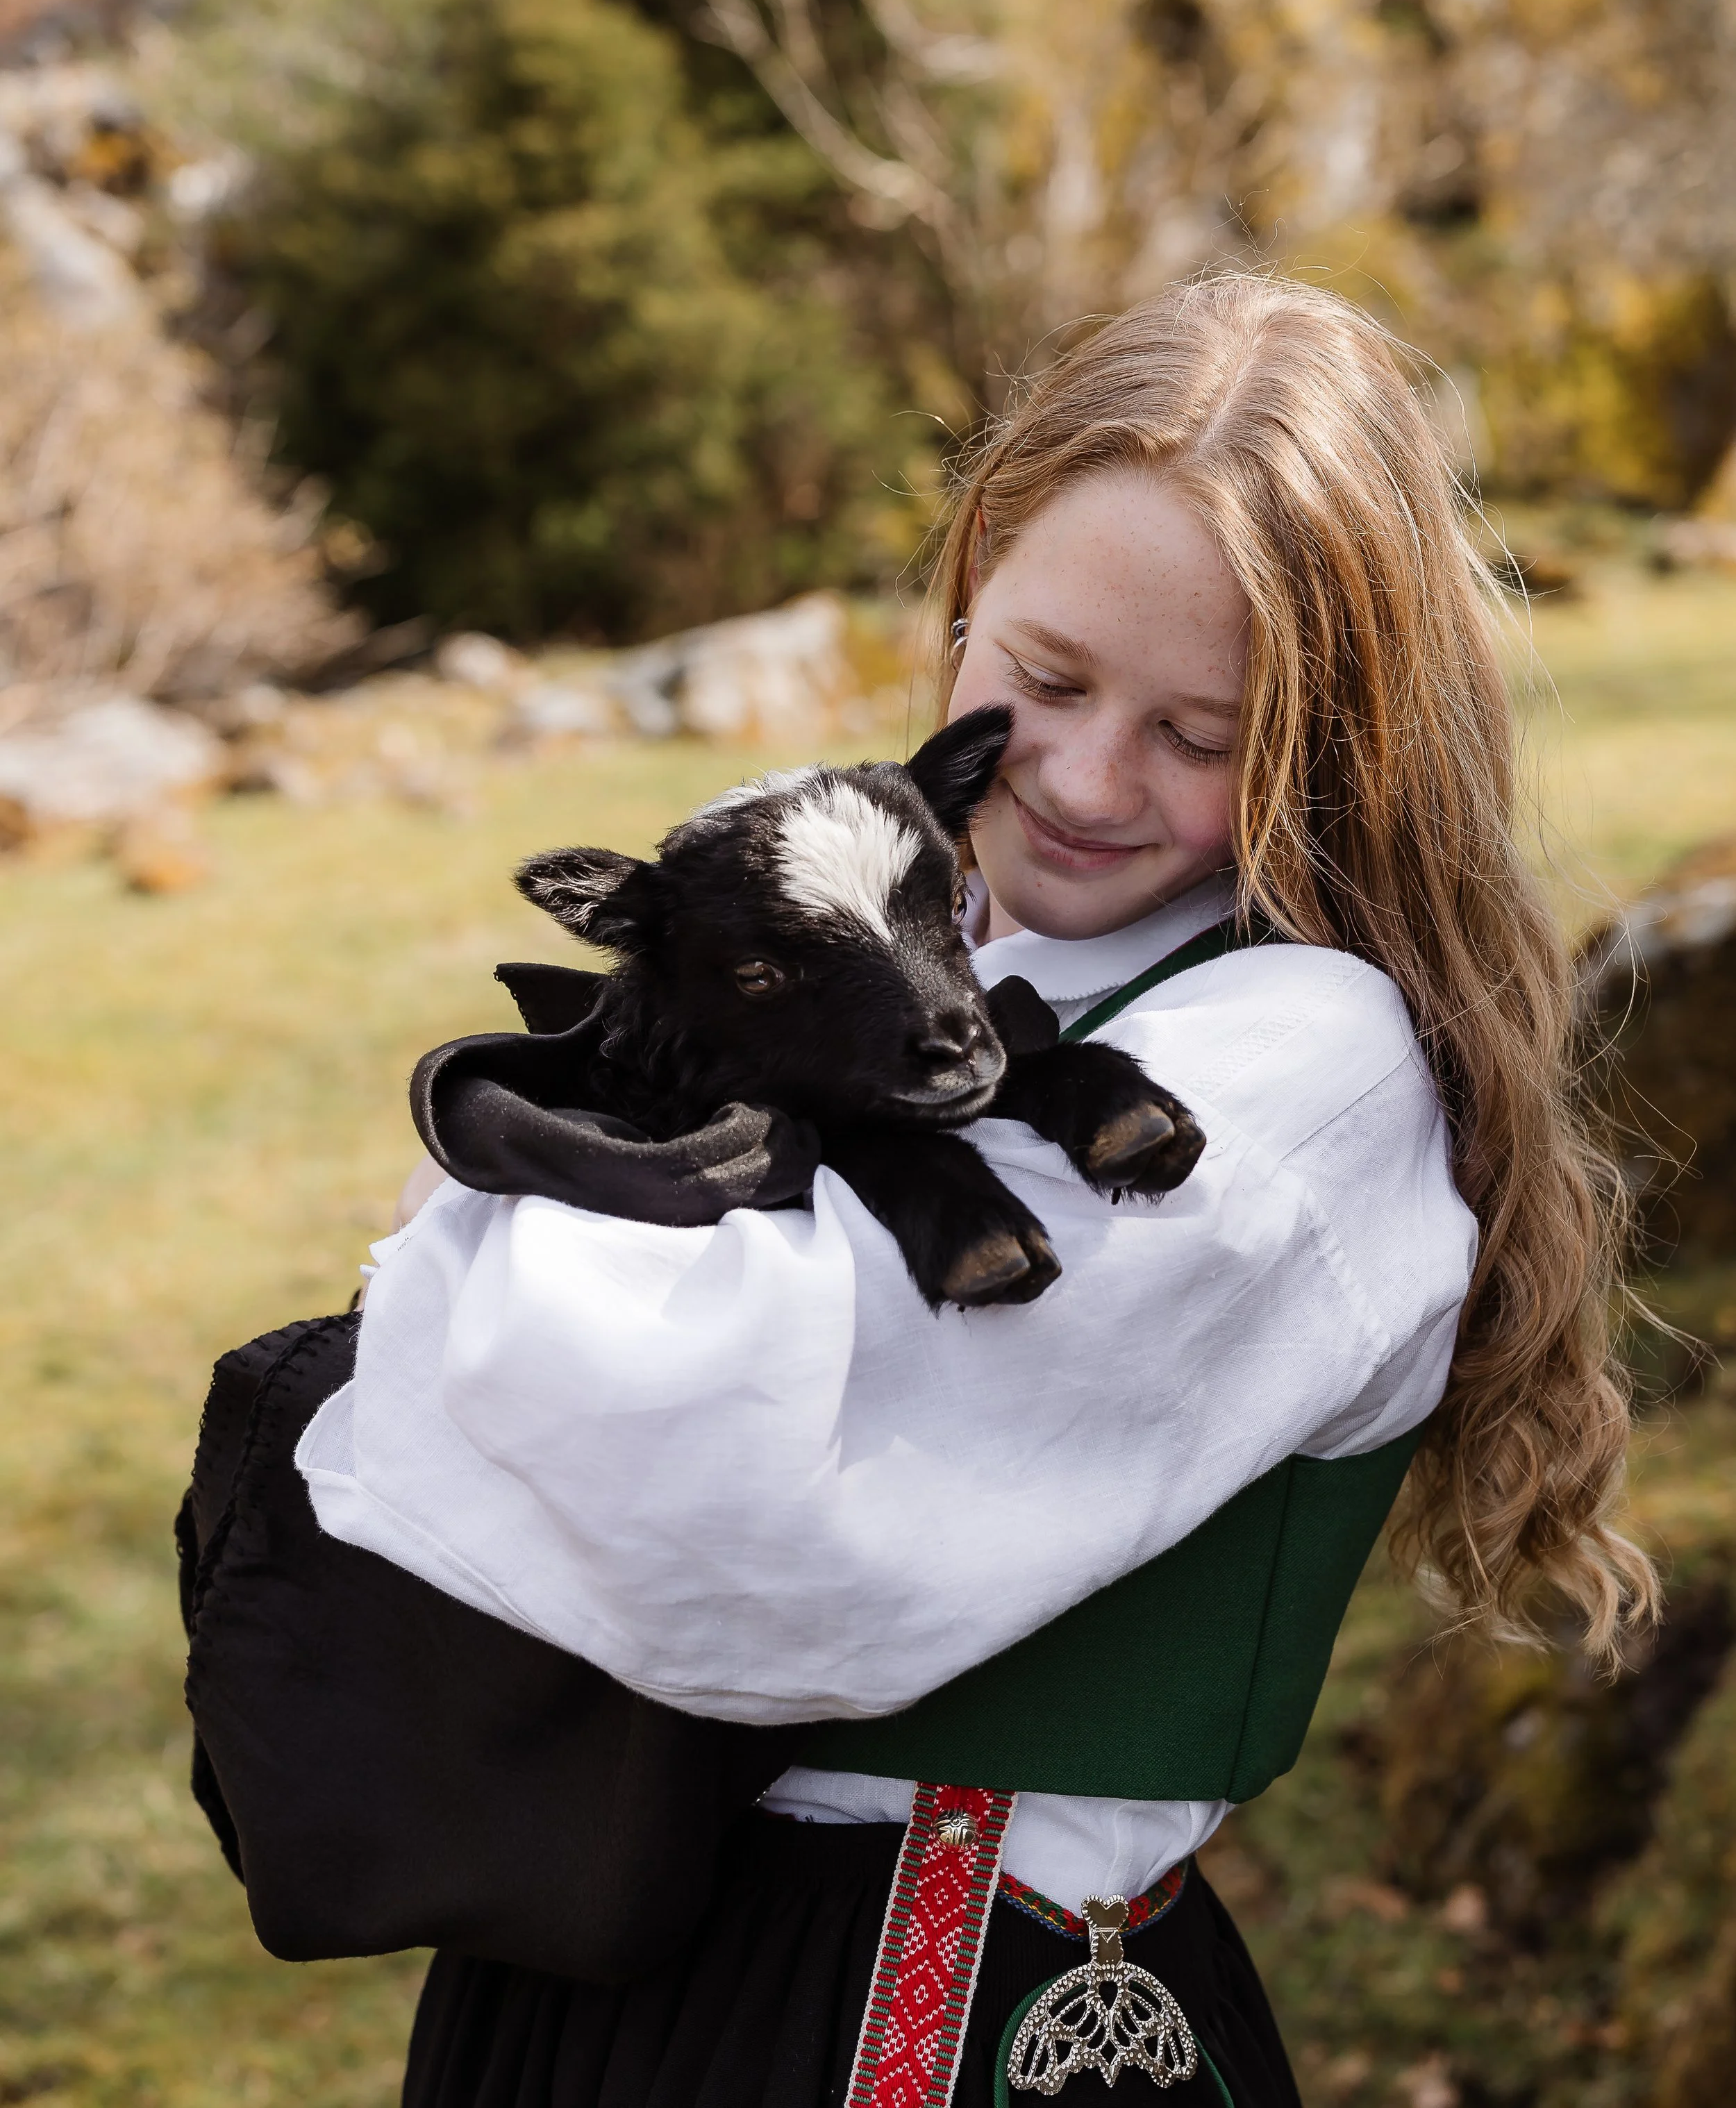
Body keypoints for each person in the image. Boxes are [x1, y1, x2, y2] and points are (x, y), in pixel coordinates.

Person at [303, 274, 1655, 2108]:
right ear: (966, 592)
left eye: (1201, 734)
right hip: (578, 1974)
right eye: (1047, 679)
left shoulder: (1296, 1062)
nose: (1087, 780)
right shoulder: (908, 941)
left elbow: (674, 1458)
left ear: (1334, 740)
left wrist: (487, 1226)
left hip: (924, 2006)